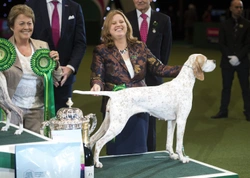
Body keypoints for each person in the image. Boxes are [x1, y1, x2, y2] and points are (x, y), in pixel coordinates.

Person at [90, 9, 182, 155]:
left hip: (140, 103)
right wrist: (96, 85)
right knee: (117, 151)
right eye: (113, 23)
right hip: (117, 105)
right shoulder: (101, 50)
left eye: (121, 22)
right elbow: (98, 74)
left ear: (127, 25)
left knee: (139, 150)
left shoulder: (140, 47)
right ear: (108, 28)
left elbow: (159, 68)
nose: (118, 25)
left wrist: (186, 68)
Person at [3, 4, 62, 133]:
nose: (26, 27)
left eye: (29, 23)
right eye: (22, 23)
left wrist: (56, 64)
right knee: (12, 148)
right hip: (12, 110)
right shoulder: (4, 51)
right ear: (12, 26)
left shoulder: (42, 46)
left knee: (36, 149)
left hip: (37, 111)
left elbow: (57, 79)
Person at [126, 0, 172, 152]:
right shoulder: (125, 19)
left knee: (151, 119)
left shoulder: (164, 20)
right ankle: (131, 150)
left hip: (153, 78)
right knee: (130, 116)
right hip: (130, 79)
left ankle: (150, 151)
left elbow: (166, 50)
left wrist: (156, 70)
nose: (140, 0)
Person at [26, 0, 87, 112]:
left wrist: (70, 68)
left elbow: (80, 43)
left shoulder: (75, 7)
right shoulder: (31, 5)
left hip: (64, 79)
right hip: (37, 77)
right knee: (36, 121)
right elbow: (26, 40)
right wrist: (42, 71)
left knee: (61, 121)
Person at [211, 0, 250, 122]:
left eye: (241, 7)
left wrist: (238, 57)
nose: (239, 9)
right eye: (237, 7)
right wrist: (230, 57)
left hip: (242, 62)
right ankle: (223, 111)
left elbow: (248, 44)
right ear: (231, 8)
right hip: (227, 62)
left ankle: (248, 112)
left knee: (246, 88)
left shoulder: (248, 24)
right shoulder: (224, 24)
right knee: (226, 88)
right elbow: (221, 43)